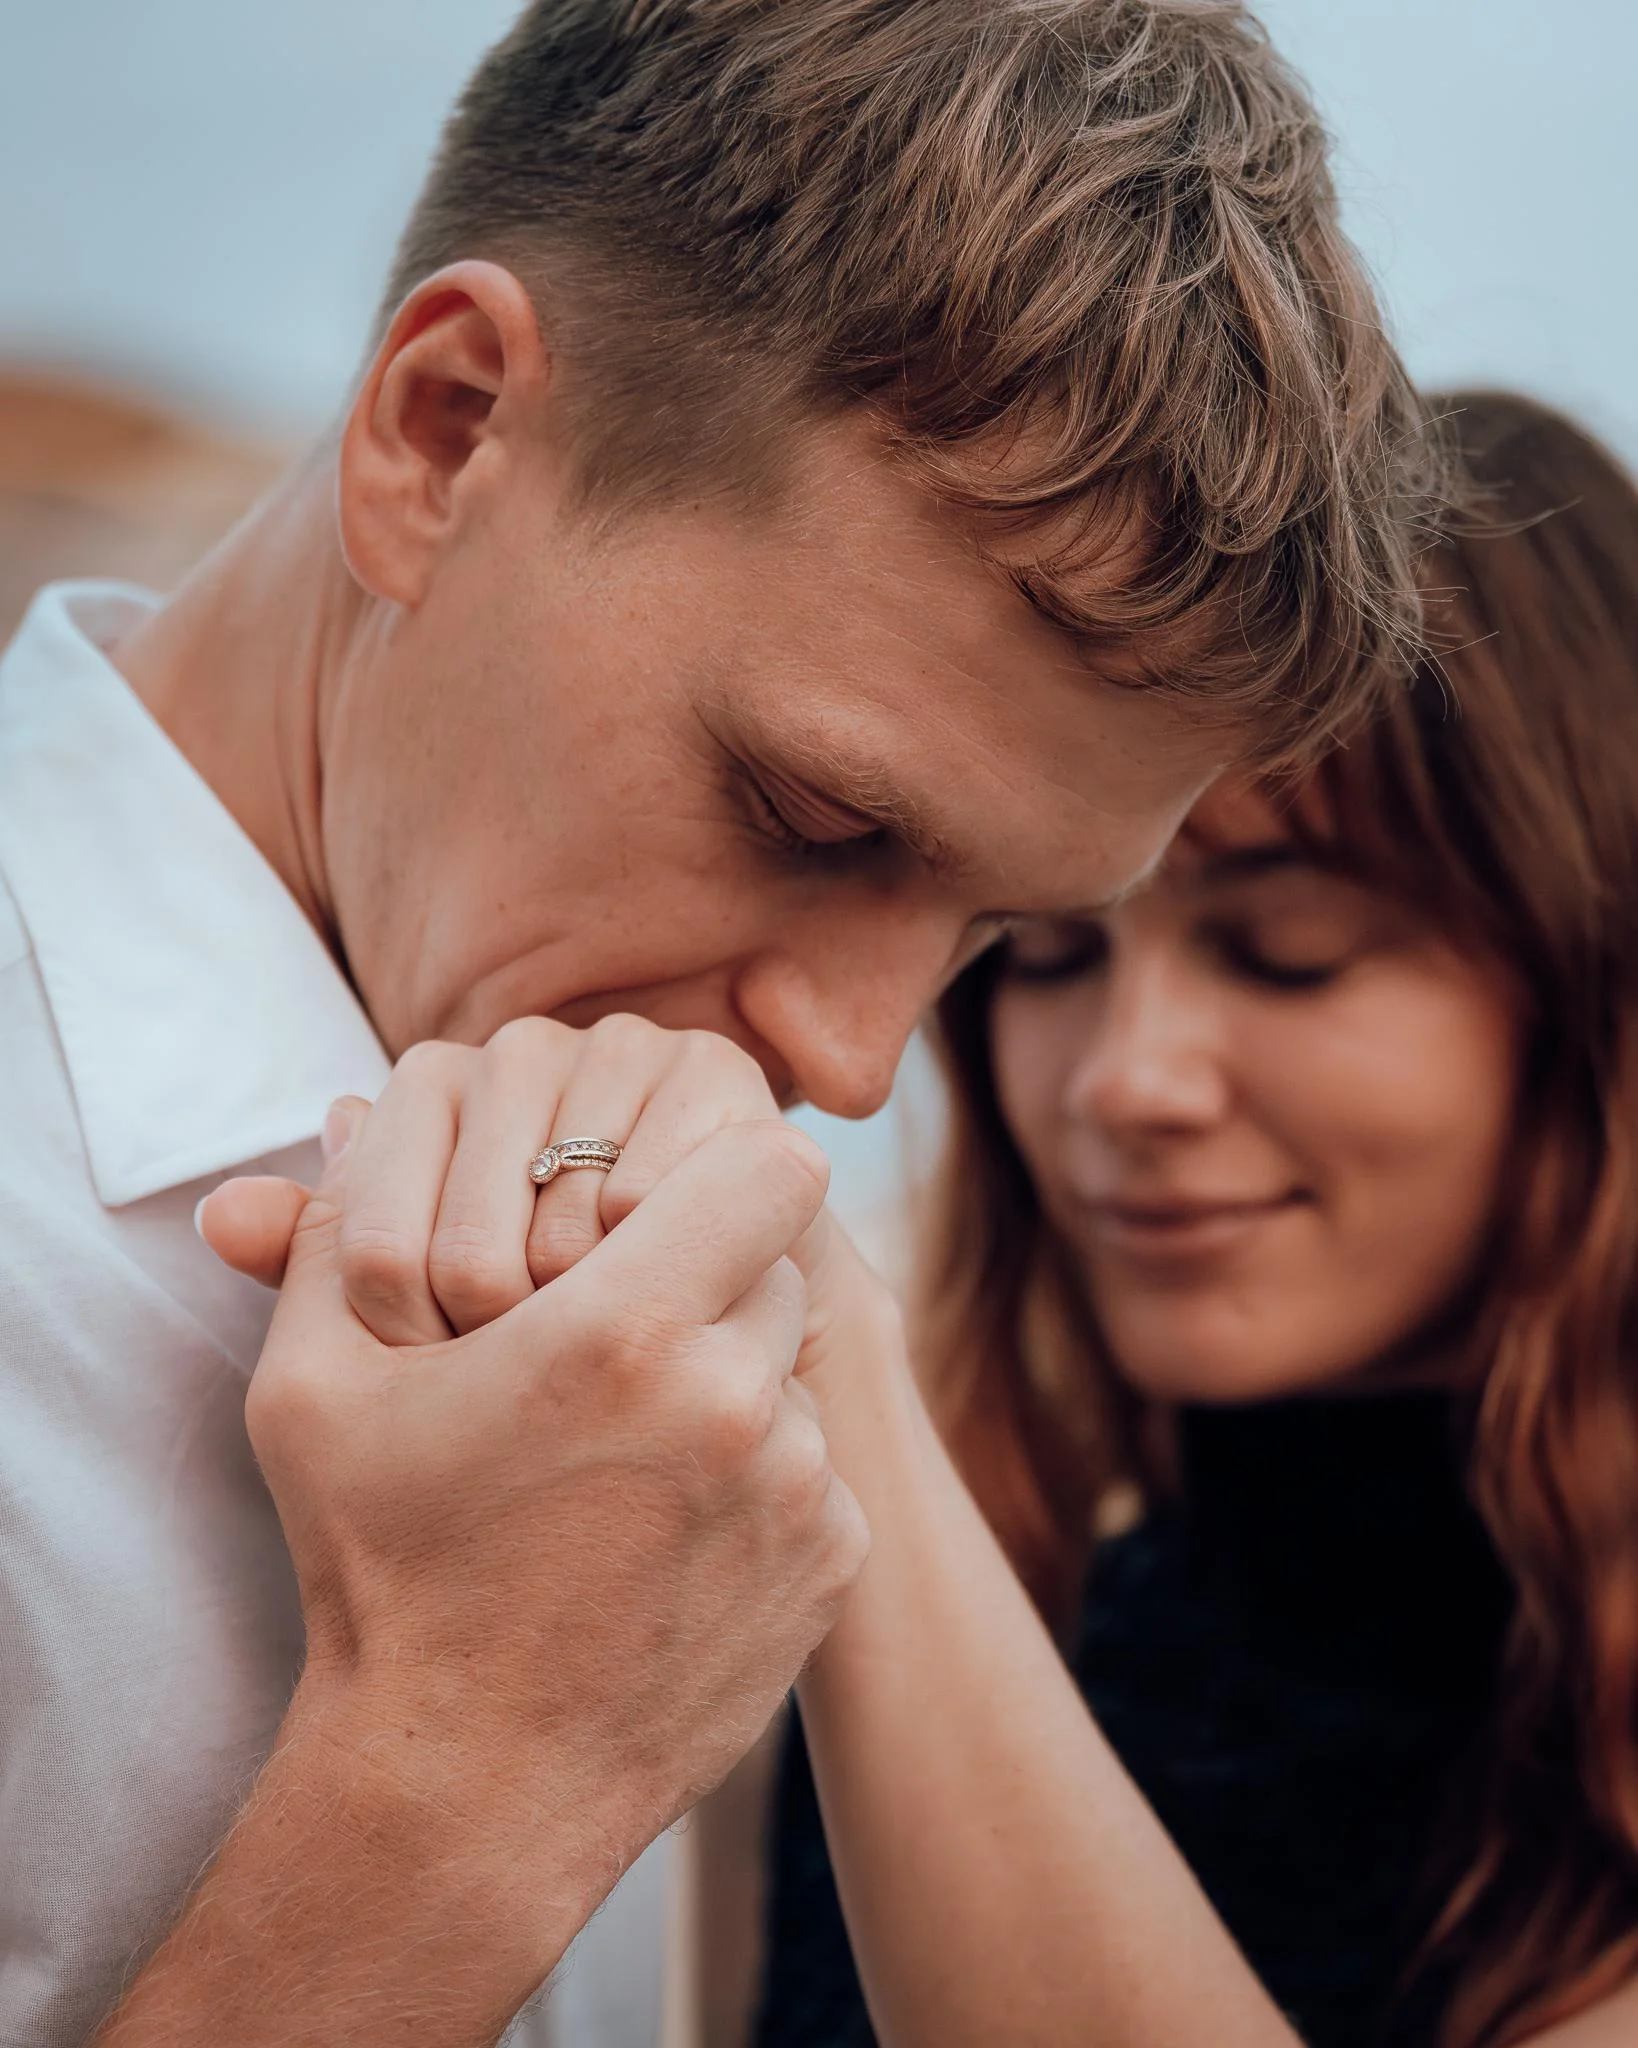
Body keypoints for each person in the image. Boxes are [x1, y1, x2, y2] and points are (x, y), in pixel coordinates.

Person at [0, 2, 1436, 2044]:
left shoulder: (651, 1197)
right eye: (815, 816)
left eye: (994, 938)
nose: (846, 1068)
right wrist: (481, 1770)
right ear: (447, 429)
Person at [736, 394, 1638, 2048]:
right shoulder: (971, 1591)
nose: (1123, 1082)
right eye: (1050, 957)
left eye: (1287, 952)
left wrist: (838, 1381)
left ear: (1588, 995)